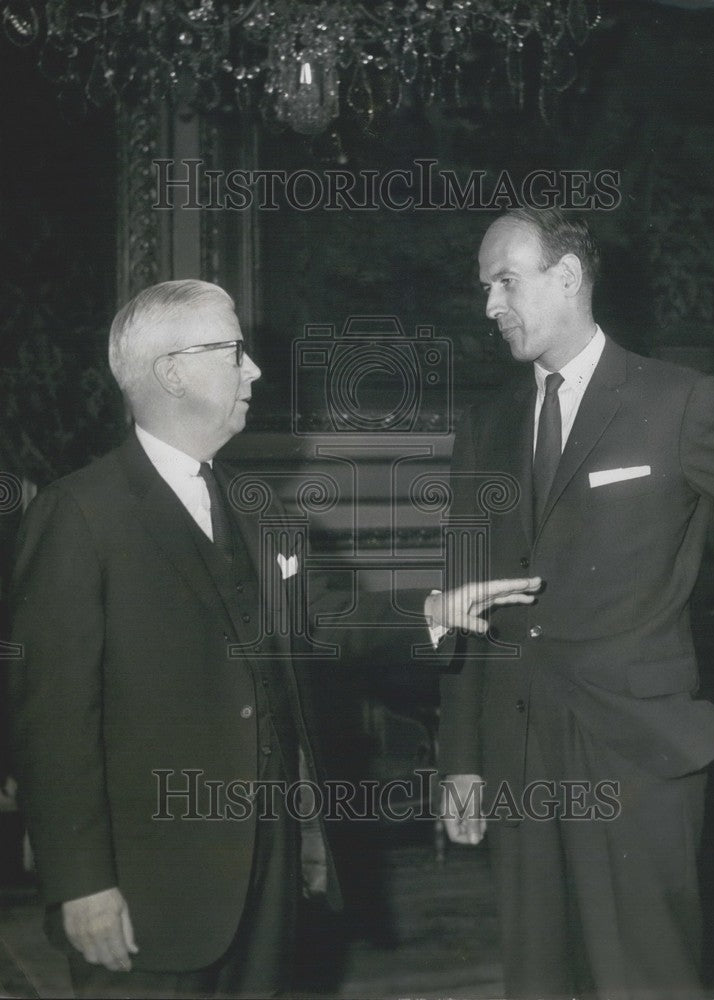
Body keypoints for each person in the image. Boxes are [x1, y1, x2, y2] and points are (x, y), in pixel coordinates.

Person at [8, 278, 540, 999]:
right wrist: (81, 884)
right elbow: (52, 722)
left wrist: (436, 609)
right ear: (172, 371)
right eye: (234, 352)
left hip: (270, 877)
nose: (254, 370)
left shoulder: (254, 508)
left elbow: (323, 621)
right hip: (145, 896)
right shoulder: (79, 515)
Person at [437, 208, 714, 999]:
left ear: (568, 278)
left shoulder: (680, 402)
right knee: (540, 979)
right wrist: (463, 760)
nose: (490, 305)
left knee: (647, 978)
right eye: (484, 288)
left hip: (640, 754)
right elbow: (465, 607)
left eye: (506, 281)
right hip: (519, 755)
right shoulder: (486, 428)